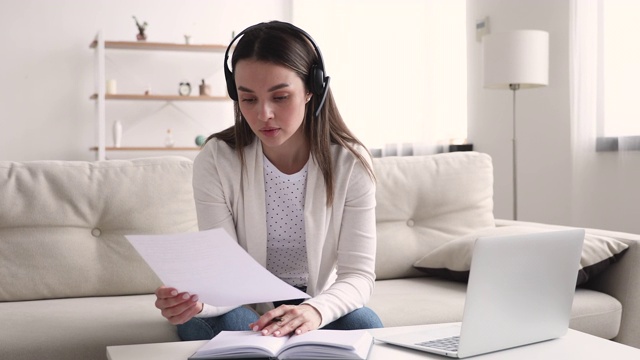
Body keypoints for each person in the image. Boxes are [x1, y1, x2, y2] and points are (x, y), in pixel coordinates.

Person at [154, 20, 383, 341]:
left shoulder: (350, 162)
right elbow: (223, 274)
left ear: (311, 89)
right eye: (248, 99)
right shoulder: (217, 159)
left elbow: (358, 275)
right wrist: (193, 302)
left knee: (362, 323)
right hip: (237, 305)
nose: (264, 114)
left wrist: (315, 311)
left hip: (312, 301)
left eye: (280, 97)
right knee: (229, 323)